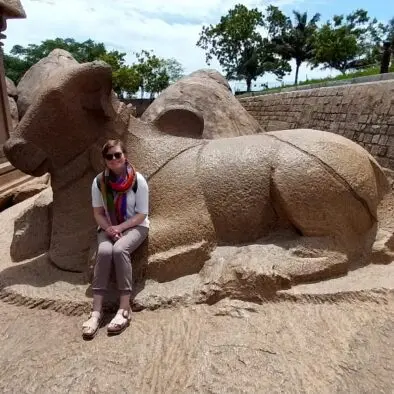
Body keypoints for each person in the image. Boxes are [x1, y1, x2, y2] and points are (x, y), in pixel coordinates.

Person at [82, 139, 149, 338]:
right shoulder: (99, 182)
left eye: (117, 155)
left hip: (135, 226)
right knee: (104, 251)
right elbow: (98, 213)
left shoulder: (138, 180)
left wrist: (119, 228)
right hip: (108, 226)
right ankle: (96, 311)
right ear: (104, 160)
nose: (114, 159)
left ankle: (124, 309)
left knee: (120, 249)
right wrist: (110, 229)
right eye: (109, 156)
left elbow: (142, 214)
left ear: (125, 156)